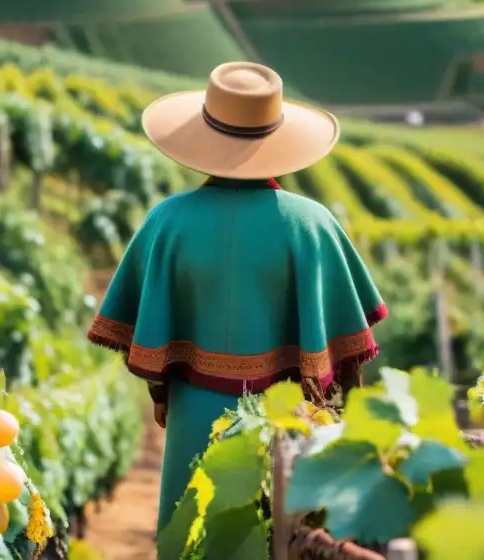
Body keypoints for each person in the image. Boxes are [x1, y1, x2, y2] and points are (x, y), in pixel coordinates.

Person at [86, 61, 387, 534]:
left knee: (194, 531)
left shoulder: (166, 222)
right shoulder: (314, 225)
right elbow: (349, 357)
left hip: (193, 420)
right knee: (285, 537)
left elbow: (149, 346)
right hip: (291, 422)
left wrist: (163, 394)